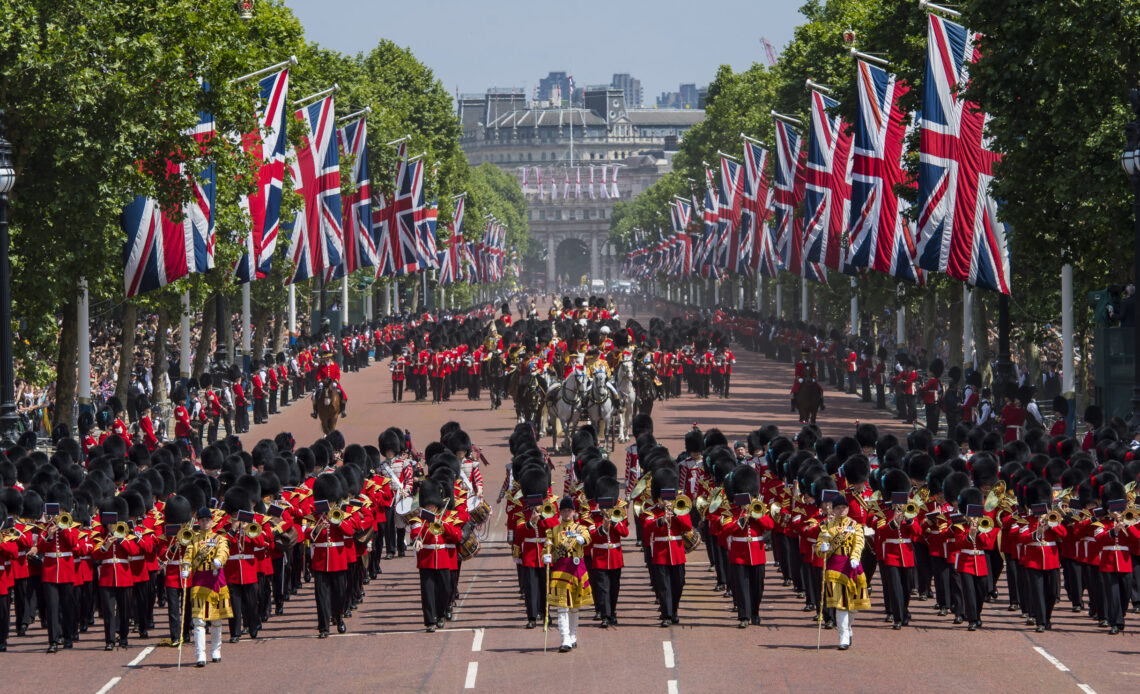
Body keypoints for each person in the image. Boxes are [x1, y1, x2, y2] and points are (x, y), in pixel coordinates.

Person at [815, 489, 870, 650]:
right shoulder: (827, 527)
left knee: (855, 605)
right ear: (833, 509)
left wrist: (855, 557)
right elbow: (819, 549)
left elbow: (859, 542)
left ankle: (848, 627)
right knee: (840, 604)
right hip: (835, 567)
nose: (841, 510)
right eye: (838, 508)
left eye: (843, 508)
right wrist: (823, 548)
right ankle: (843, 636)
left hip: (852, 565)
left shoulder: (855, 525)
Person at [640, 466, 691, 627]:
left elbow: (688, 526)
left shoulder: (680, 508)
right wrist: (662, 519)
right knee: (663, 585)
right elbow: (647, 529)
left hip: (676, 551)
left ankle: (674, 610)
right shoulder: (651, 510)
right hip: (660, 552)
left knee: (679, 583)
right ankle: (666, 614)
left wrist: (675, 513)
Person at [410, 479, 462, 632]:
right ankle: (430, 621)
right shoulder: (419, 519)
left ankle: (441, 615)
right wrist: (417, 539)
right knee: (428, 591)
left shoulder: (446, 518)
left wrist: (444, 524)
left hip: (444, 558)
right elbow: (415, 532)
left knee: (445, 590)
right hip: (426, 559)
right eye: (427, 505)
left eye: (432, 505)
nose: (430, 507)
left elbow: (457, 536)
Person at [182, 507, 231, 667]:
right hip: (200, 580)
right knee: (198, 620)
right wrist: (186, 568)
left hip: (216, 579)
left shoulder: (219, 538)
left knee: (216, 619)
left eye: (207, 520)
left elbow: (223, 551)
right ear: (199, 522)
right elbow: (188, 556)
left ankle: (216, 650)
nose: (204, 523)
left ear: (212, 521)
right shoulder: (194, 540)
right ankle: (200, 654)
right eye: (202, 520)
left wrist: (219, 560)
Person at [543, 496, 593, 652]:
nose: (566, 513)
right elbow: (547, 547)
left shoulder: (580, 528)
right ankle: (564, 639)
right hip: (561, 570)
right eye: (564, 510)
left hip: (577, 569)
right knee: (562, 606)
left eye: (569, 511)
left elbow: (588, 538)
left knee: (574, 607)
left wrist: (581, 539)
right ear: (560, 512)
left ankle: (573, 636)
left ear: (573, 512)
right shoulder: (553, 530)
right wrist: (546, 555)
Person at [586, 477, 627, 627]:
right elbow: (592, 536)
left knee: (614, 588)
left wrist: (615, 521)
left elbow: (625, 532)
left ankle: (613, 613)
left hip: (615, 556)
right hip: (600, 557)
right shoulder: (592, 516)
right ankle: (605, 615)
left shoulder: (618, 513)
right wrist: (603, 525)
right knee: (603, 588)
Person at [312, 350, 347, 419]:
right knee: (314, 395)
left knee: (342, 394)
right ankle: (315, 412)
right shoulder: (321, 365)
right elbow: (318, 374)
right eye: (326, 358)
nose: (327, 359)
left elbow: (337, 374)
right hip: (323, 384)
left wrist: (335, 382)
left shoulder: (335, 365)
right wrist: (320, 382)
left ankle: (343, 410)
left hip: (333, 383)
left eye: (328, 357)